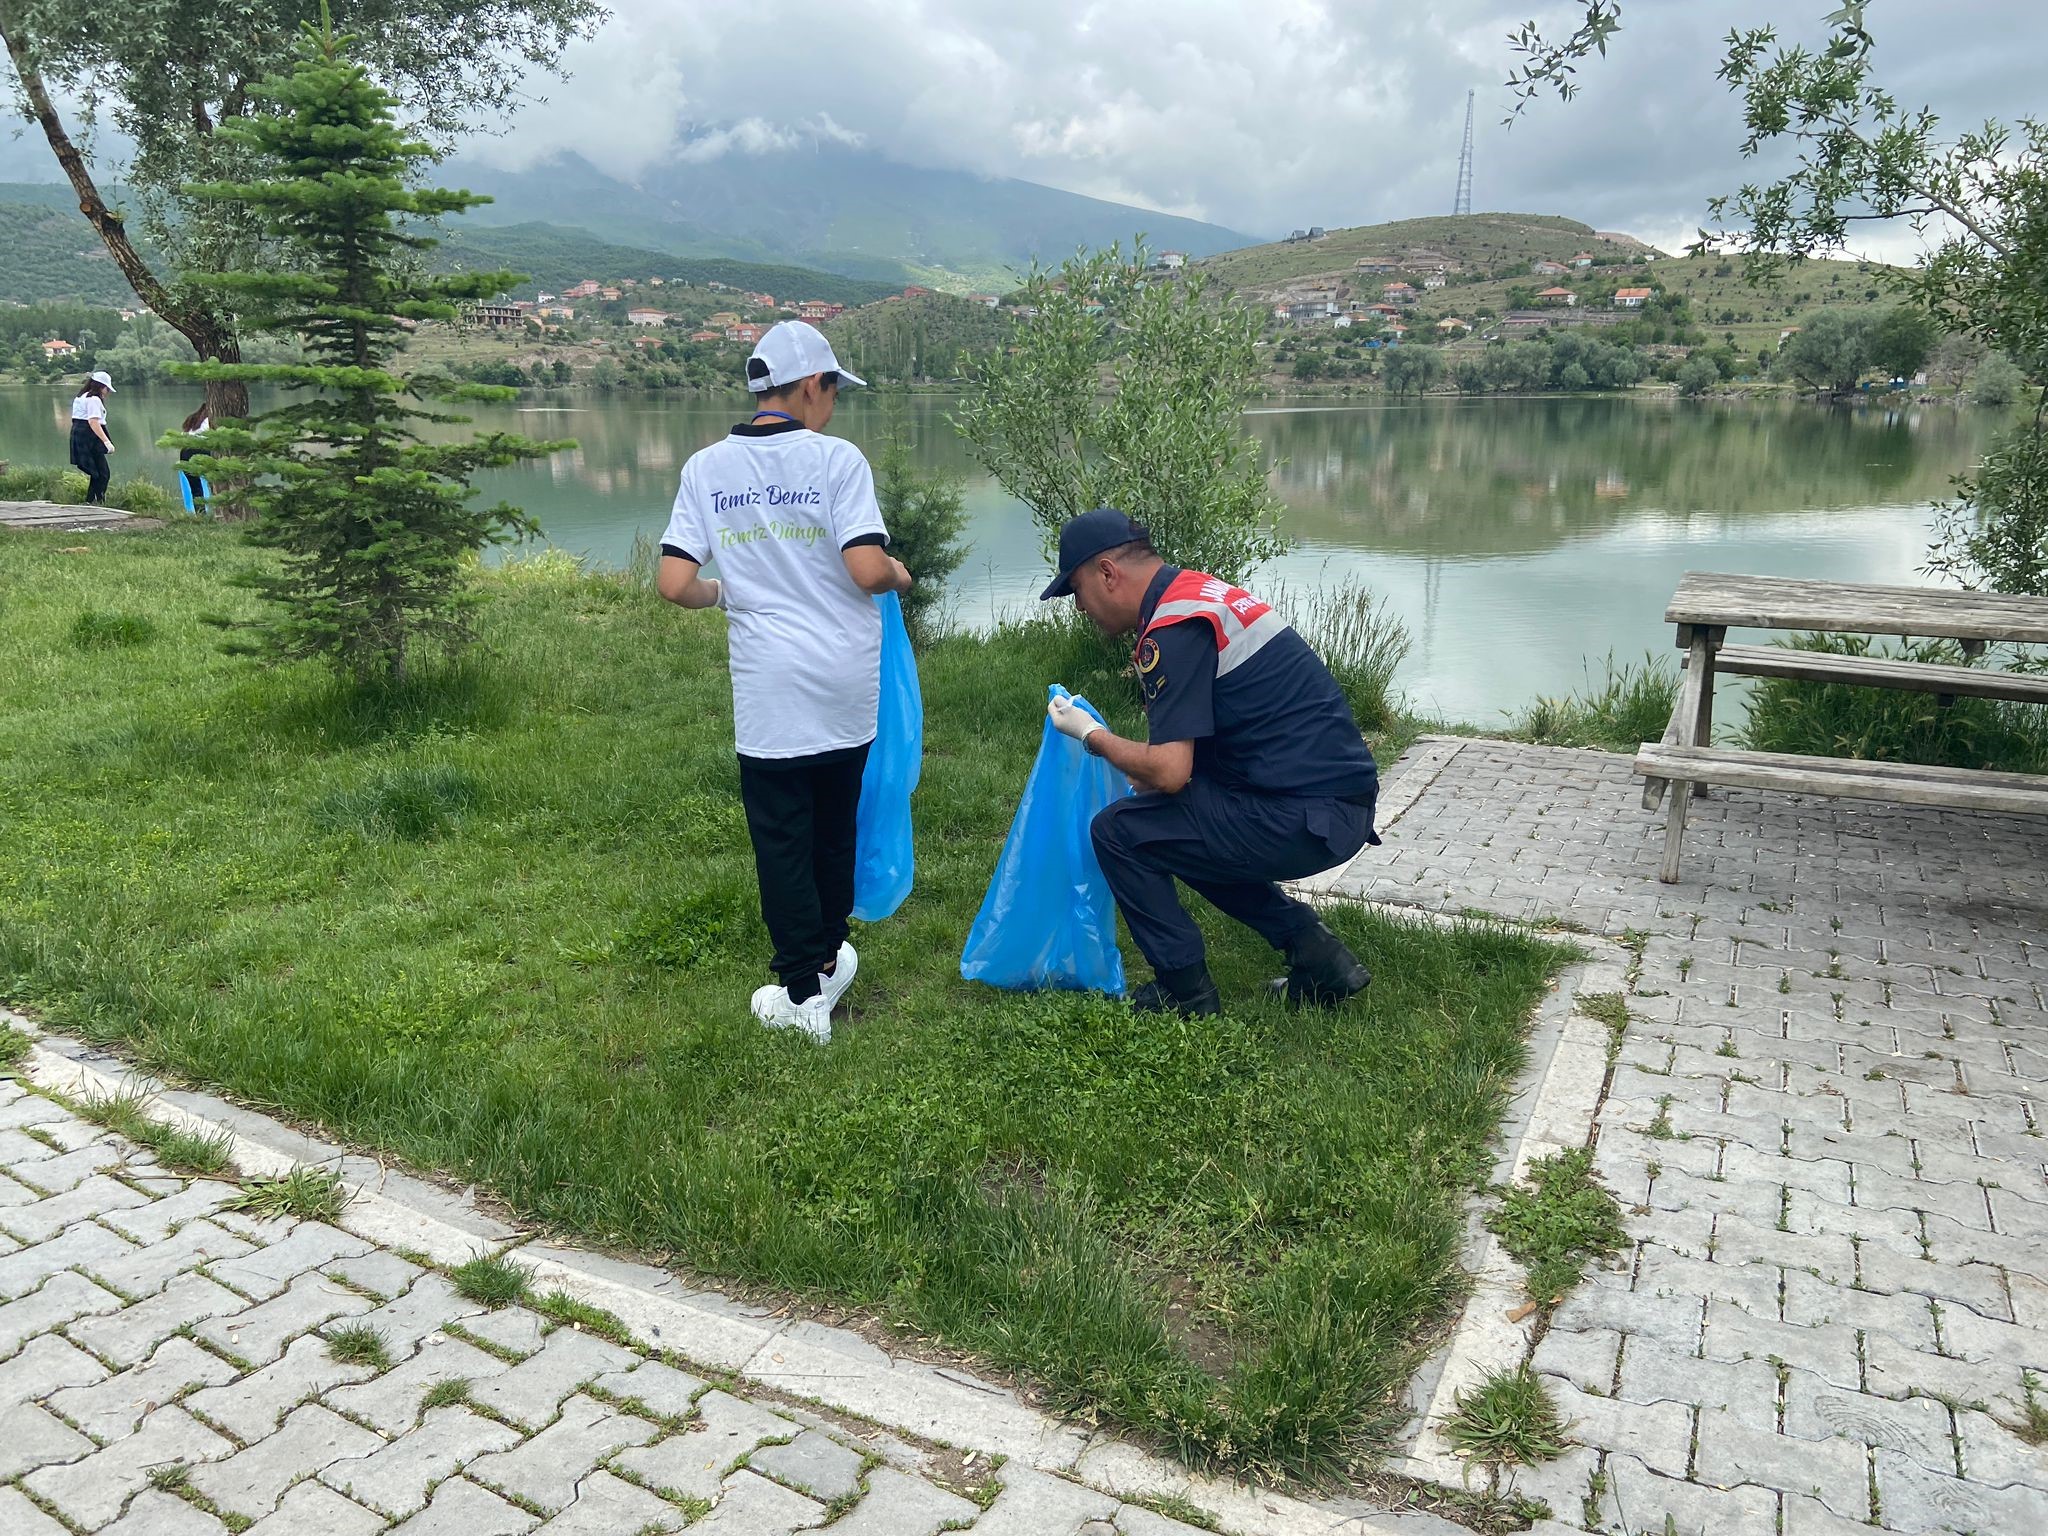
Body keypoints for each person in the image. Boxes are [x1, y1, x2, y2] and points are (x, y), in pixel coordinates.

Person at [656, 320, 912, 1043]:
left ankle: (804, 993)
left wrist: (725, 595)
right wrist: (898, 572)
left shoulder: (708, 469)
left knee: (782, 840)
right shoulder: (838, 460)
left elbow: (675, 582)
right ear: (809, 387)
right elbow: (867, 570)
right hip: (843, 685)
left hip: (771, 690)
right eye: (833, 390)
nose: (833, 406)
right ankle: (822, 970)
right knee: (833, 829)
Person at [1040, 508, 1379, 1017]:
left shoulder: (1171, 629)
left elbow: (1172, 770)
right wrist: (1153, 777)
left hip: (1308, 816)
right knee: (1169, 825)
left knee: (1121, 832)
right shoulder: (1197, 595)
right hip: (1330, 803)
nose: (1080, 608)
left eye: (1077, 591)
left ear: (1107, 573)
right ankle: (1318, 955)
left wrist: (1092, 735)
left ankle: (1185, 992)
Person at [68, 371, 116, 504]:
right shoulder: (94, 400)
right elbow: (93, 422)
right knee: (103, 473)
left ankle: (91, 501)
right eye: (107, 389)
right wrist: (106, 442)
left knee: (97, 473)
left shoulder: (81, 397)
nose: (108, 392)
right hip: (89, 436)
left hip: (79, 435)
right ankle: (97, 501)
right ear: (101, 386)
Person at [177, 400, 210, 503]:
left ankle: (200, 514)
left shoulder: (192, 419)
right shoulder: (210, 420)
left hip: (185, 453)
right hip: (200, 450)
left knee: (195, 489)